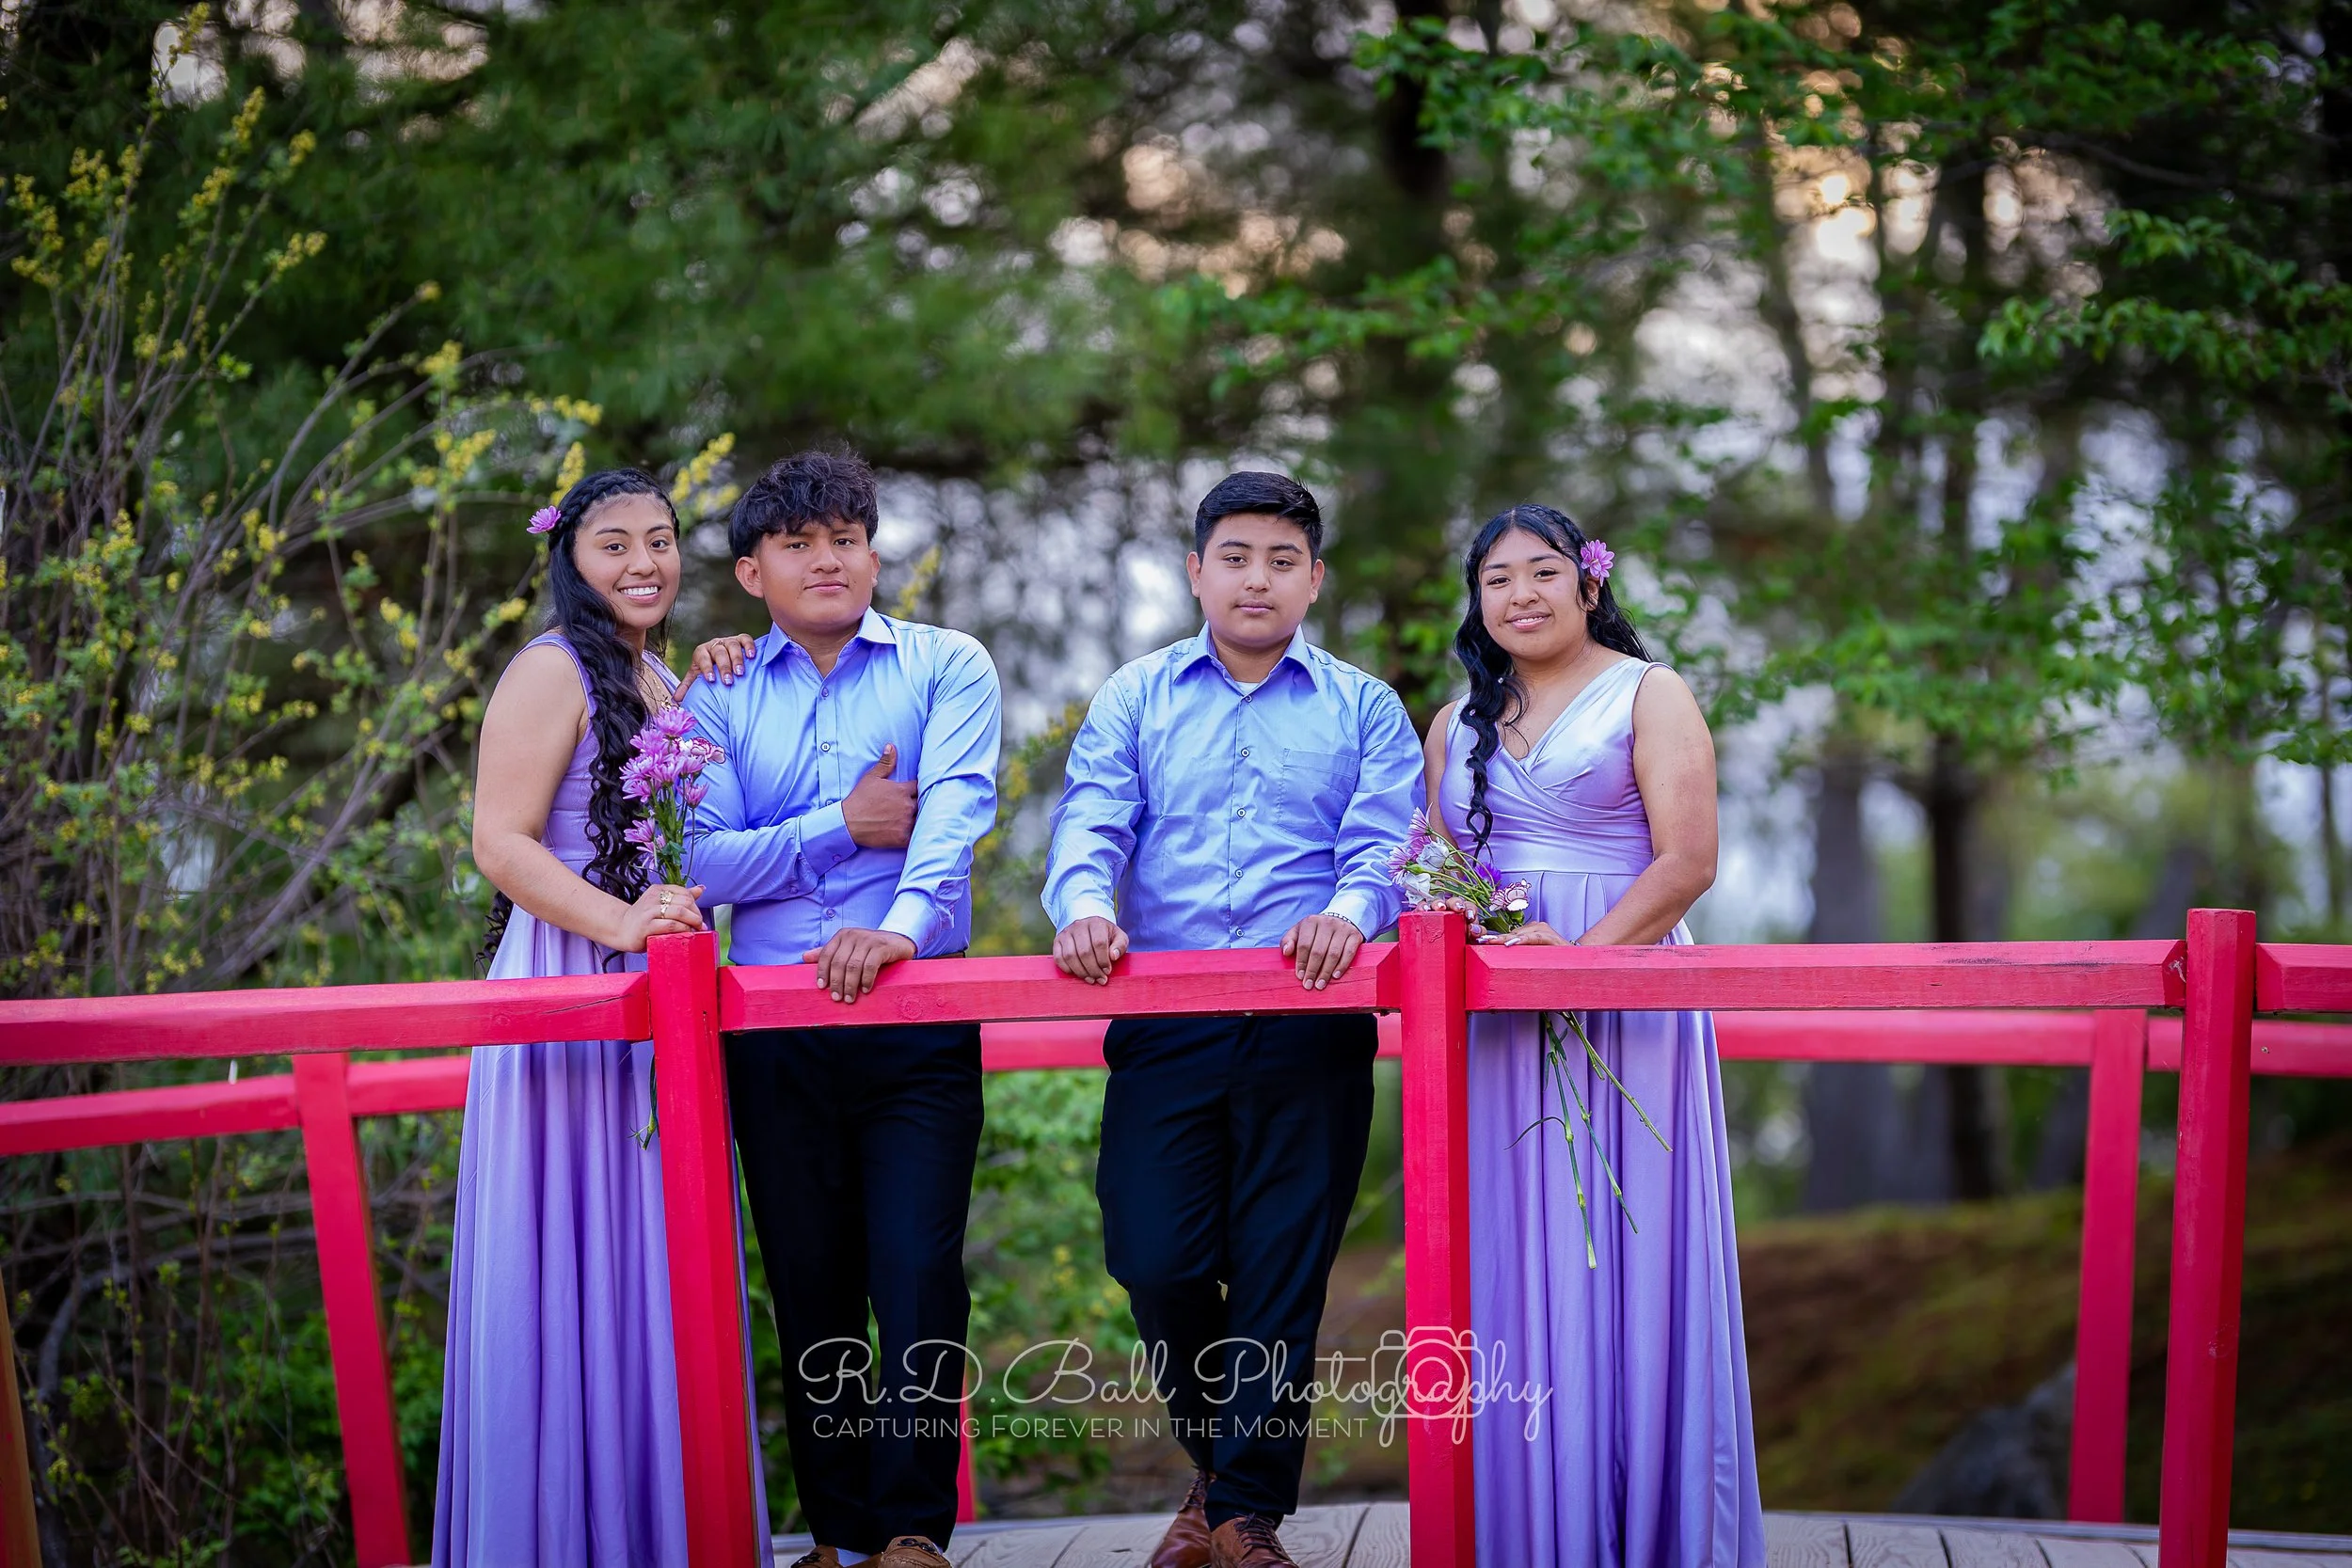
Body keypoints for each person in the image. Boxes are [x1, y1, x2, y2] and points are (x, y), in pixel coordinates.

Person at [1041, 472, 1423, 1568]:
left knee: (1280, 1269)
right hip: (1167, 1015)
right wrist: (1081, 905)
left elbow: (1383, 848)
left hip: (1312, 1017)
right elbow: (1093, 817)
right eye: (1237, 555)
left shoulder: (1362, 705)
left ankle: (1243, 1515)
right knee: (1152, 1251)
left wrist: (1349, 916)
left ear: (1314, 577)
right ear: (1198, 568)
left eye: (1282, 558)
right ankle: (1220, 1472)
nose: (1258, 576)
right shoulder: (1136, 693)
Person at [438, 468, 770, 1567]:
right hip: (571, 978)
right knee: (562, 1254)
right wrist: (623, 923)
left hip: (655, 1001)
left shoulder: (659, 675)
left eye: (662, 541)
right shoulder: (549, 668)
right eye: (614, 544)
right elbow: (502, 839)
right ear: (569, 560)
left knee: (649, 1260)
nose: (644, 563)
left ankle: (654, 1533)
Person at [1423, 505, 1764, 1568]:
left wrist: (1575, 968)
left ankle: (1655, 1530)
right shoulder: (1449, 723)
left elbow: (1687, 859)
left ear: (1588, 582)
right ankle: (1531, 1531)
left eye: (1542, 572)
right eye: (1496, 579)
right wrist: (1492, 943)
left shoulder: (1648, 692)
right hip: (1497, 1021)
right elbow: (1433, 873)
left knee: (1631, 1250)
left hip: (1631, 999)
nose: (1520, 594)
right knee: (1518, 1256)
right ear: (1476, 600)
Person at [681, 450, 1001, 1568]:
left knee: (916, 1269)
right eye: (799, 542)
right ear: (751, 570)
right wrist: (841, 824)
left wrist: (901, 924)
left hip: (917, 1011)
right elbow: (703, 862)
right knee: (808, 1278)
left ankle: (912, 1529)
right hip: (771, 1028)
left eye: (848, 537)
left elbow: (956, 809)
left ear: (873, 553)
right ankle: (835, 1533)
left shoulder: (945, 665)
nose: (829, 558)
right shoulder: (712, 691)